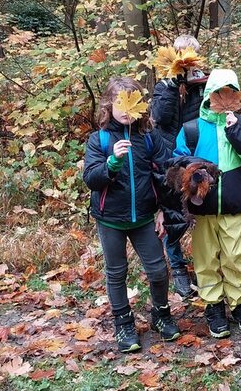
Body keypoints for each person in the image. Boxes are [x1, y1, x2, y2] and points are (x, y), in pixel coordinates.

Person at [82, 77, 180, 353]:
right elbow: (91, 178)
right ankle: (123, 322)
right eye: (119, 103)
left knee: (158, 269)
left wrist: (164, 210)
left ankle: (161, 314)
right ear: (108, 105)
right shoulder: (99, 139)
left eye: (132, 103)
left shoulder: (148, 137)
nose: (126, 110)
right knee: (116, 272)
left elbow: (165, 176)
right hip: (110, 218)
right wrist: (111, 162)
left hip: (145, 218)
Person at [173, 68, 241, 338]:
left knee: (234, 256)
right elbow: (178, 159)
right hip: (203, 206)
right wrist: (194, 171)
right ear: (209, 96)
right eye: (219, 92)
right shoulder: (192, 128)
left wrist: (236, 132)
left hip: (232, 203)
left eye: (231, 92)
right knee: (205, 258)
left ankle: (239, 304)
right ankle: (213, 305)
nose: (225, 97)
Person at [151, 34, 208, 297]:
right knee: (173, 215)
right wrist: (174, 84)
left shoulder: (203, 84)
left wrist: (198, 85)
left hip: (194, 155)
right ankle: (178, 269)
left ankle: (205, 267)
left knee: (200, 211)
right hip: (168, 158)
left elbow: (206, 116)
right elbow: (160, 117)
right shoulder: (163, 86)